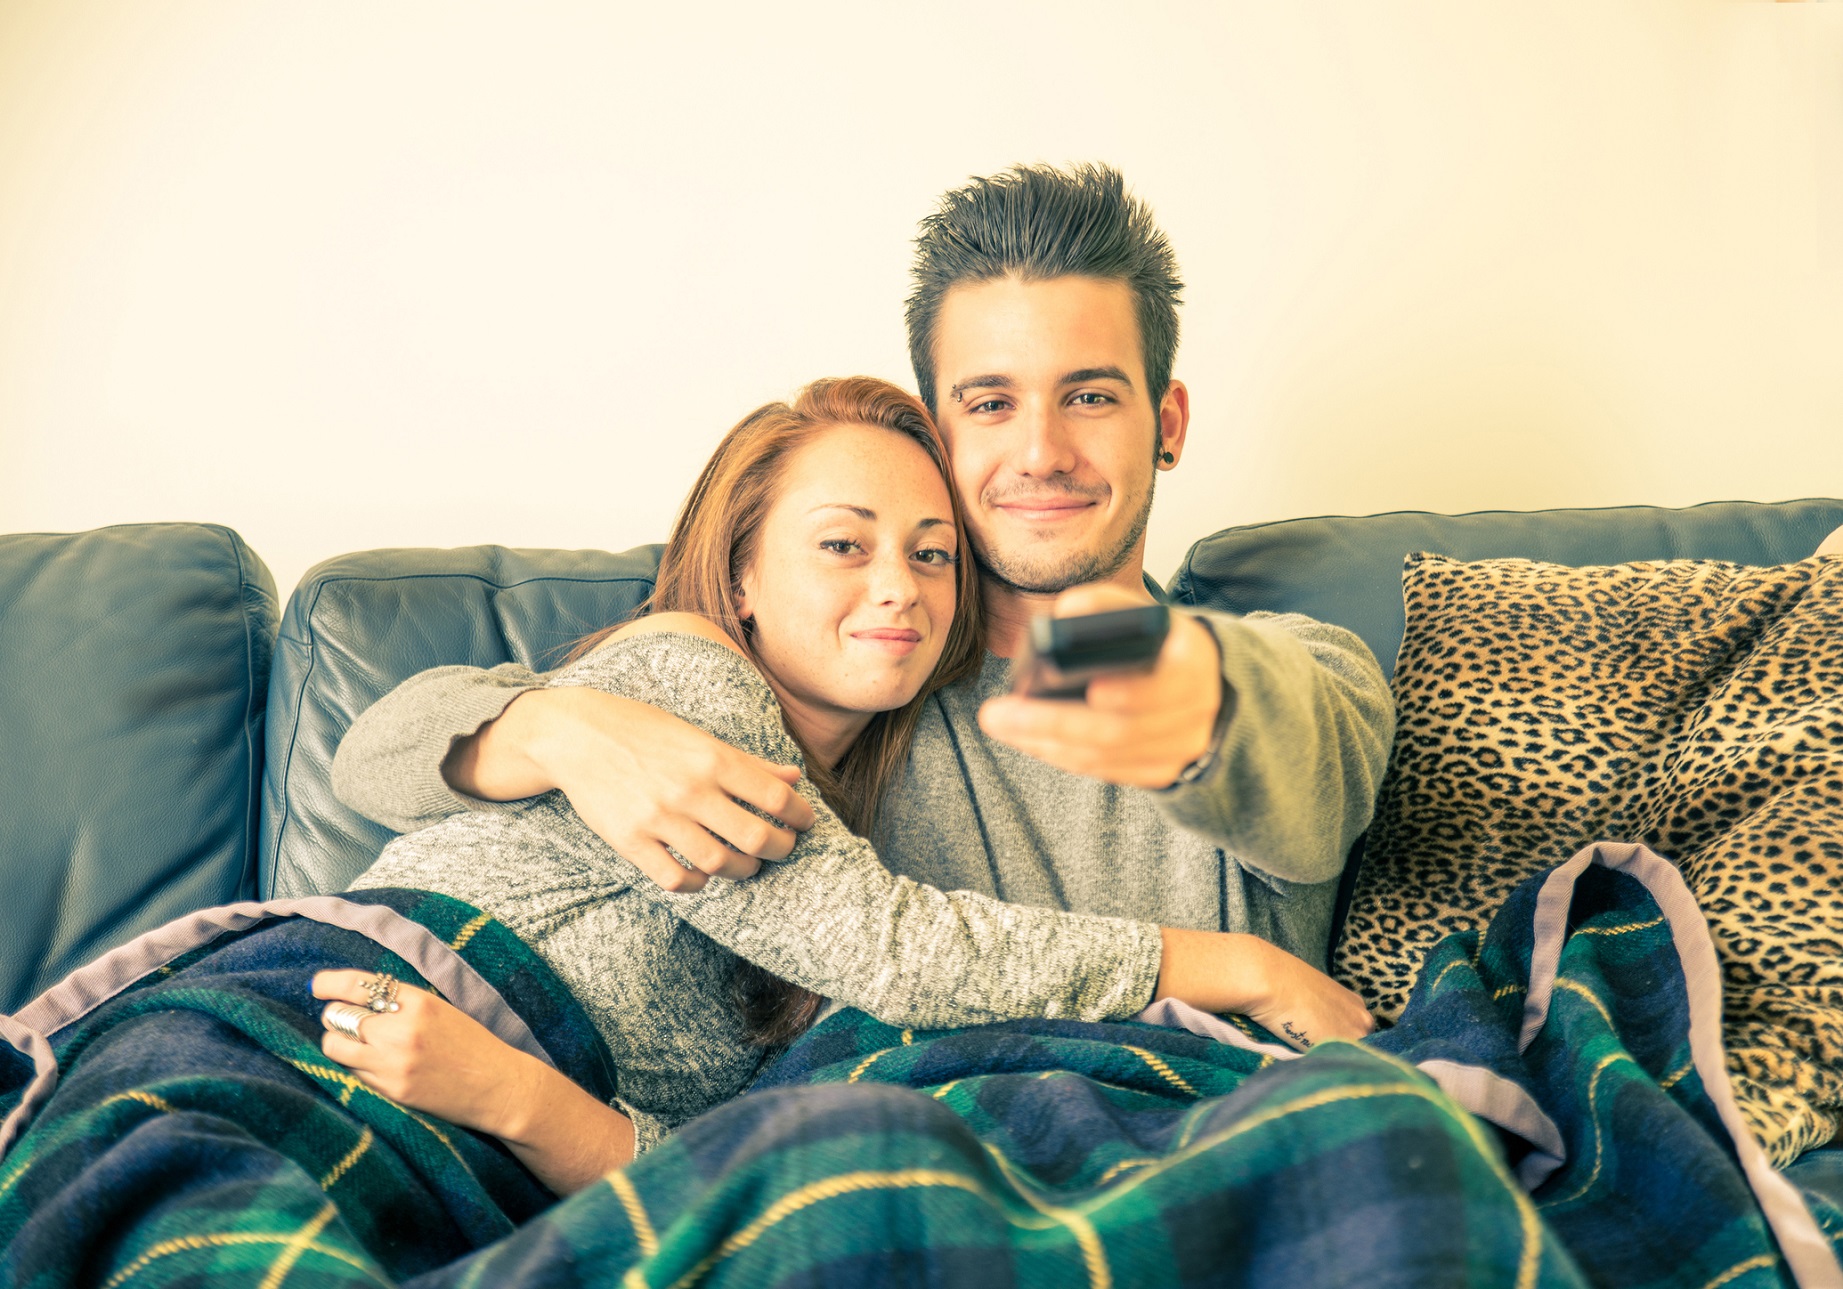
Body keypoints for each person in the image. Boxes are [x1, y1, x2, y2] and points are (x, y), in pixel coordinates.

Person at [334, 163, 1393, 1009]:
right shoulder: (853, 669)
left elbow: (1305, 765)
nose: (1039, 451)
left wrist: (1187, 686)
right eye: (989, 403)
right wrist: (560, 731)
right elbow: (377, 752)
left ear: (1165, 423)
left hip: (1201, 1127)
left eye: (1087, 395)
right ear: (937, 433)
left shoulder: (1303, 662)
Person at [319, 376, 1373, 1196]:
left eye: (932, 553)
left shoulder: (870, 793)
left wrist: (523, 1102)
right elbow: (368, 750)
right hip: (337, 1026)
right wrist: (550, 726)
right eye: (841, 544)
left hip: (496, 1147)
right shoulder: (680, 670)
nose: (895, 587)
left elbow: (694, 1167)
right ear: (739, 572)